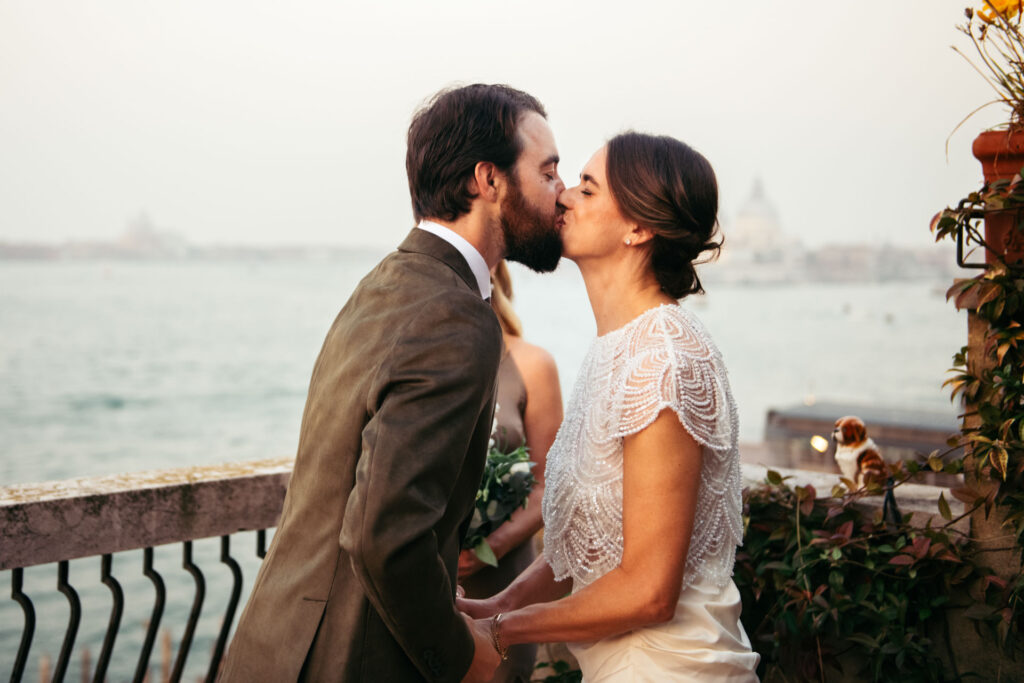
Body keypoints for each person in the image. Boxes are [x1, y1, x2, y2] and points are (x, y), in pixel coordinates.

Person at [218, 83, 565, 683]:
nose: (561, 194)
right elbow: (386, 534)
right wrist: (458, 654)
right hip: (345, 658)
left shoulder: (388, 284)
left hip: (278, 644)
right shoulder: (454, 314)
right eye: (549, 171)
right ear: (489, 180)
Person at [458, 132, 760, 681]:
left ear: (639, 228)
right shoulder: (617, 349)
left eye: (589, 190)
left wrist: (503, 633)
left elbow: (648, 593)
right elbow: (584, 545)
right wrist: (489, 608)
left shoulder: (664, 357)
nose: (565, 196)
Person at [458, 260, 563, 683]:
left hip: (503, 575)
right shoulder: (429, 362)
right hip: (432, 578)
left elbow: (548, 488)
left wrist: (488, 548)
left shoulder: (532, 364)